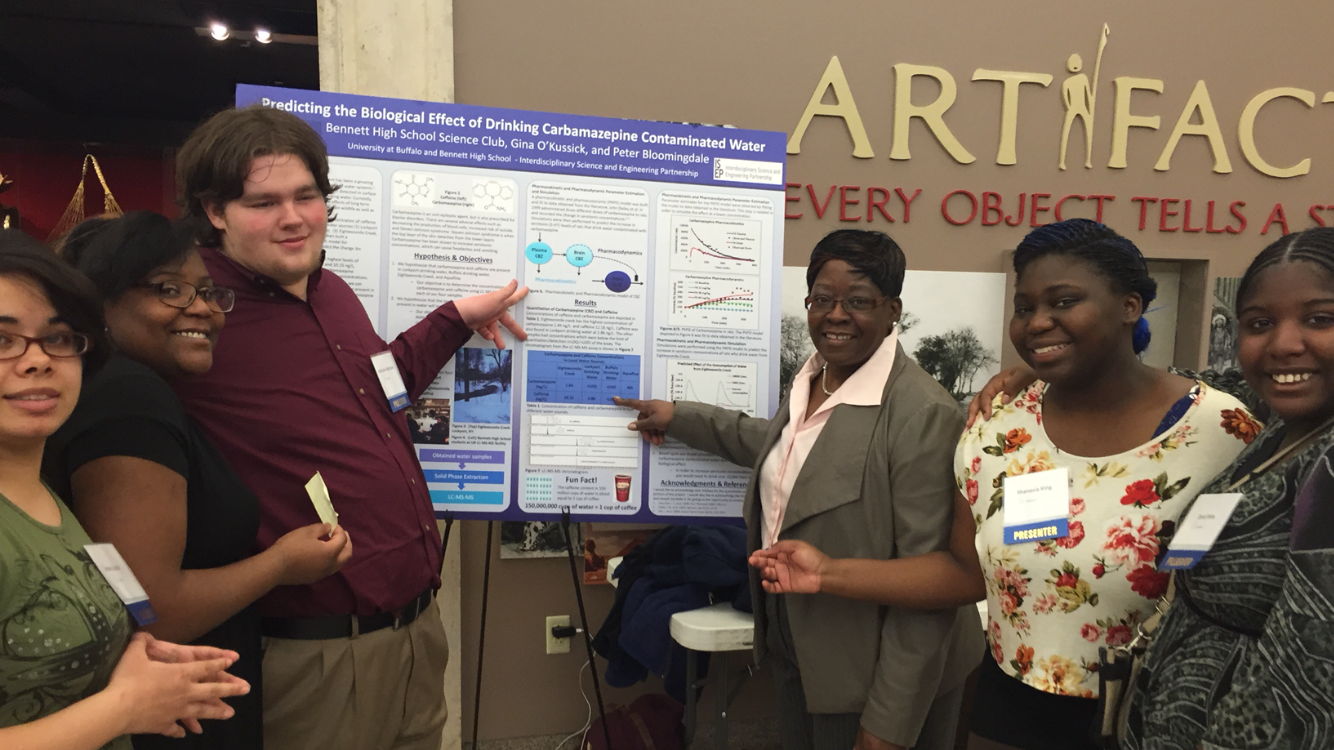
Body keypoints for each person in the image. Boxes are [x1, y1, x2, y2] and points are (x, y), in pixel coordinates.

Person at [169, 104, 528, 750]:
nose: (292, 217)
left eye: (307, 195)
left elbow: (380, 385)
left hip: (416, 634)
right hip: (316, 657)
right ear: (215, 211)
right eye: (264, 201)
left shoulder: (329, 289)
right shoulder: (192, 315)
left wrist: (453, 319)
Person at [616, 229, 983, 750]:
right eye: (822, 299)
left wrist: (887, 726)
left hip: (871, 668)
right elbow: (778, 449)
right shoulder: (817, 376)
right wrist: (680, 418)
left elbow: (931, 589)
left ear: (891, 310)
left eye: (857, 301)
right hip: (794, 634)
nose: (836, 315)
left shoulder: (921, 414)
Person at [46, 211, 354, 749]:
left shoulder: (127, 388)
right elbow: (150, 609)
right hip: (170, 719)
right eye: (170, 289)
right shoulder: (129, 400)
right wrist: (280, 564)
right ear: (102, 302)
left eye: (210, 293)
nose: (202, 309)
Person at [956, 219, 1255, 750]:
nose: (1037, 323)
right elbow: (964, 571)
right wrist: (829, 570)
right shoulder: (998, 430)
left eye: (1064, 301)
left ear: (1130, 307)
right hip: (1011, 706)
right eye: (1025, 308)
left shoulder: (1220, 431)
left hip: (1160, 712)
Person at [0, 231, 250, 749]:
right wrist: (124, 707)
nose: (36, 360)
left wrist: (129, 664)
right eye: (2, 340)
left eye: (60, 338)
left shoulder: (41, 497)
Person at [1122, 228, 1334, 750]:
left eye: (1320, 318)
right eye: (1260, 323)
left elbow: (1303, 689)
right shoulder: (1282, 430)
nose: (1284, 344)